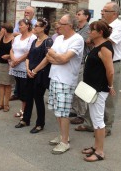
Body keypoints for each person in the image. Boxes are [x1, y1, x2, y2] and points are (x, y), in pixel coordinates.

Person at [33, 14, 84, 154]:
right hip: (54, 77)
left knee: (63, 112)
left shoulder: (77, 39)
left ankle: (65, 142)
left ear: (70, 26)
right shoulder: (60, 38)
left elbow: (64, 58)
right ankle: (63, 135)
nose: (58, 26)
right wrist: (56, 59)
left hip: (66, 80)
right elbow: (49, 57)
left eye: (61, 23)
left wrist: (56, 56)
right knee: (57, 110)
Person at [76, 2, 121, 136]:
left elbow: (107, 41)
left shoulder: (119, 26)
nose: (102, 13)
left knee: (109, 97)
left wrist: (93, 38)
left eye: (105, 11)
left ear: (114, 14)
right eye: (102, 10)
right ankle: (89, 123)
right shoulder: (101, 25)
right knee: (90, 92)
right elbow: (93, 40)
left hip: (114, 63)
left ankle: (106, 127)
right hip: (98, 63)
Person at [81, 20, 115, 162]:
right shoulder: (97, 45)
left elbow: (110, 71)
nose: (89, 32)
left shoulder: (105, 48)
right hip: (91, 88)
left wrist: (110, 86)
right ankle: (96, 147)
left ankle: (100, 152)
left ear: (100, 32)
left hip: (99, 89)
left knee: (98, 120)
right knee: (96, 119)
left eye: (92, 30)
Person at [15, 18, 53, 133]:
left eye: (37, 26)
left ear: (43, 28)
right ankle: (25, 119)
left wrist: (35, 70)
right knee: (28, 96)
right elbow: (29, 56)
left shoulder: (48, 41)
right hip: (30, 72)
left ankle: (40, 124)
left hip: (40, 74)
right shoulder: (34, 41)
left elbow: (47, 59)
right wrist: (27, 69)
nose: (34, 27)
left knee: (38, 98)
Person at [9, 19, 37, 120]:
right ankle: (22, 110)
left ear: (28, 26)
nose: (19, 27)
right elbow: (12, 49)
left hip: (24, 68)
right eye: (19, 25)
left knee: (26, 91)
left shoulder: (32, 38)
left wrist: (17, 61)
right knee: (20, 90)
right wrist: (13, 59)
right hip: (16, 67)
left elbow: (29, 52)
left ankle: (25, 112)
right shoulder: (17, 37)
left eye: (21, 25)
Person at [10, 6, 37, 101]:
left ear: (33, 14)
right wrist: (13, 59)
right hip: (16, 62)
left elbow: (34, 35)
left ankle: (24, 104)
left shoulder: (35, 23)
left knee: (25, 86)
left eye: (28, 12)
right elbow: (14, 34)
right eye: (25, 12)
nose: (26, 14)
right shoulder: (21, 23)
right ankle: (17, 94)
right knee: (18, 82)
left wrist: (17, 60)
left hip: (26, 63)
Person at [70, 9, 91, 125]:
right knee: (73, 87)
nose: (77, 16)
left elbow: (82, 41)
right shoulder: (77, 28)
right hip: (75, 61)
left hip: (82, 61)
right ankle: (74, 109)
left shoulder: (88, 28)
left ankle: (82, 114)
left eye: (79, 14)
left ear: (86, 16)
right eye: (76, 14)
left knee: (80, 88)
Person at [0, 23, 15, 112]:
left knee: (8, 84)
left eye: (2, 29)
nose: (0, 30)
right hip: (0, 63)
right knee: (1, 84)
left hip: (8, 64)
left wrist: (9, 56)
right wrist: (0, 36)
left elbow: (15, 52)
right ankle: (0, 103)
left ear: (6, 30)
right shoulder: (1, 38)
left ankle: (6, 104)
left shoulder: (13, 39)